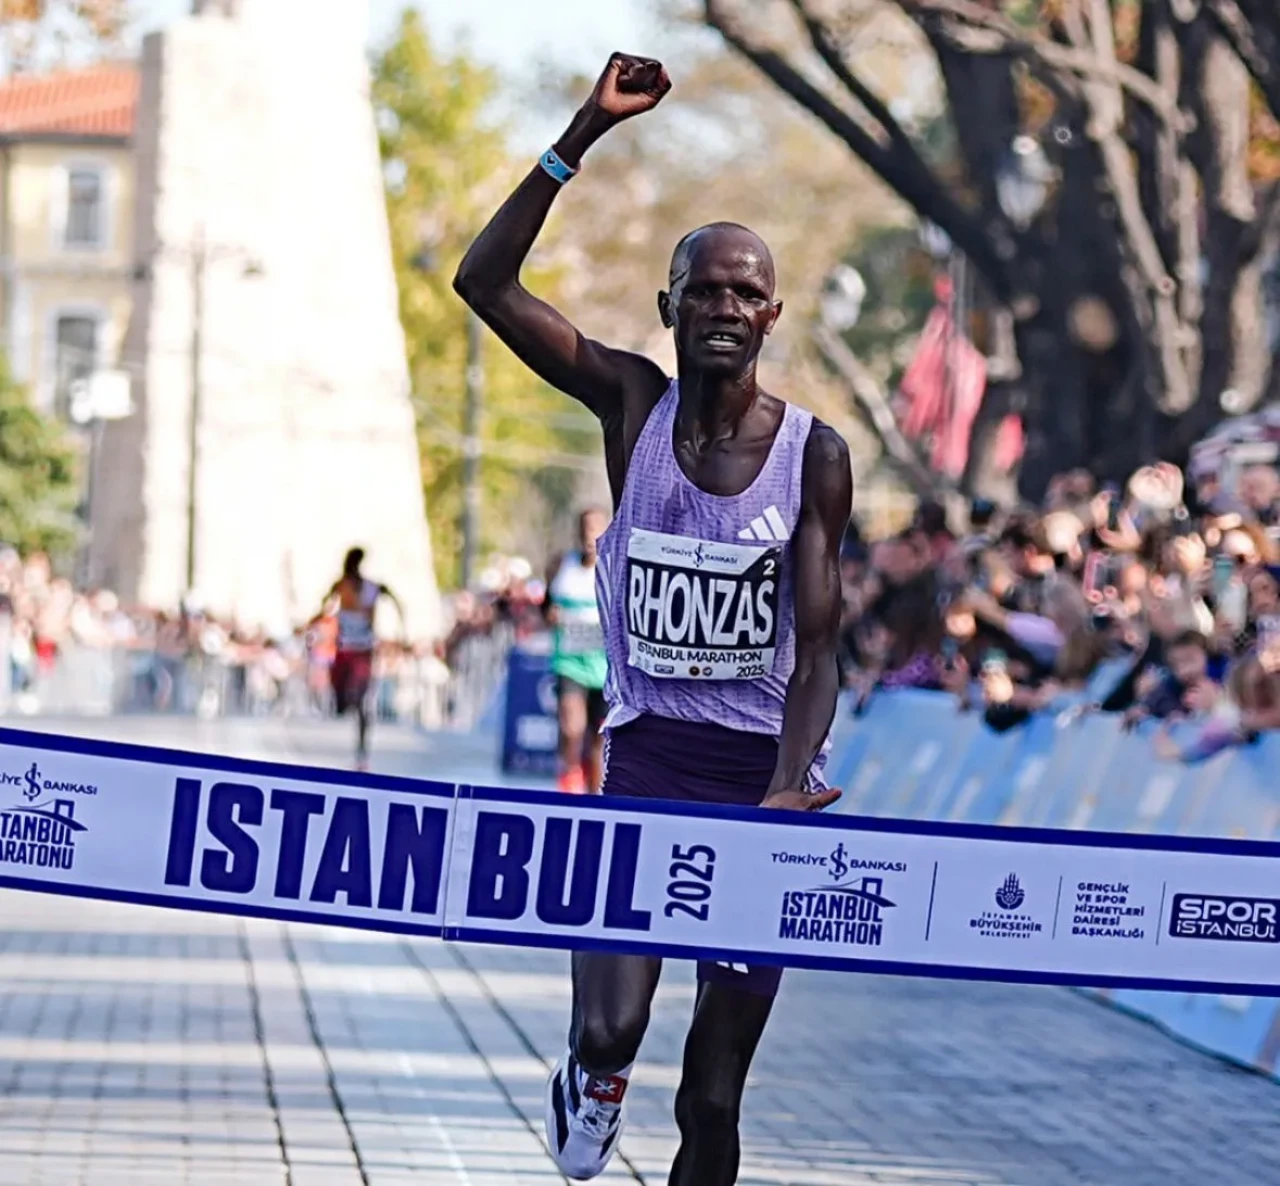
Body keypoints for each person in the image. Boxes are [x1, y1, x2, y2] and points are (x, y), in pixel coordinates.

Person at [454, 52, 851, 1186]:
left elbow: (819, 647)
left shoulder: (813, 454)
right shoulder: (630, 403)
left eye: (744, 292)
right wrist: (579, 128)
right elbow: (483, 286)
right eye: (704, 289)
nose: (723, 307)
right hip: (646, 765)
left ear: (769, 313)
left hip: (762, 779)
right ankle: (587, 1081)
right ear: (670, 306)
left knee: (714, 1093)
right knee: (607, 1031)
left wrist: (784, 784)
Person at [312, 547, 405, 771]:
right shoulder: (340, 585)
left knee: (363, 700)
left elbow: (396, 602)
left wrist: (402, 631)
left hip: (363, 649)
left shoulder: (373, 587)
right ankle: (348, 703)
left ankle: (362, 750)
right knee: (342, 702)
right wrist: (311, 624)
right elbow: (323, 608)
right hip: (344, 650)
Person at [545, 508, 611, 793]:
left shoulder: (614, 566)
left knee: (598, 741)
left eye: (595, 528)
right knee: (571, 730)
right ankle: (568, 790)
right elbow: (545, 607)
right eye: (585, 528)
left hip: (605, 668)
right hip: (570, 663)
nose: (589, 535)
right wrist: (551, 615)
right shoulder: (562, 565)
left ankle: (594, 799)